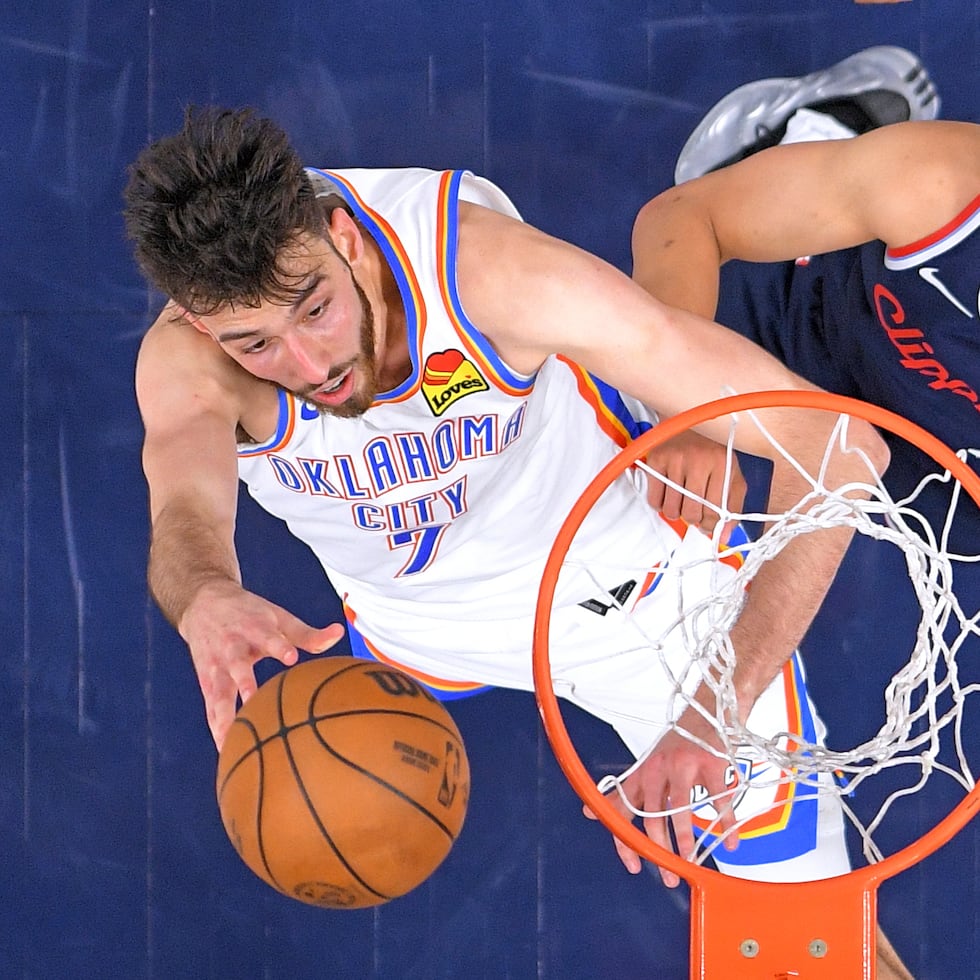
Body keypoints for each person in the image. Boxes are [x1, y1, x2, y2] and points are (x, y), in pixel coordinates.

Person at [125, 107, 895, 965]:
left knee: (804, 943)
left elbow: (840, 446)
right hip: (408, 623)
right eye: (255, 343)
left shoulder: (489, 271)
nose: (309, 368)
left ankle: (808, 136)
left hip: (620, 583)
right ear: (198, 324)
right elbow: (185, 506)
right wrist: (206, 596)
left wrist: (716, 708)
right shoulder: (187, 362)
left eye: (315, 310)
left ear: (346, 237)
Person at [633, 48, 978, 541]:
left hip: (922, 459)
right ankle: (821, 134)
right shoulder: (943, 187)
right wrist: (686, 414)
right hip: (794, 310)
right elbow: (684, 217)